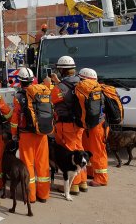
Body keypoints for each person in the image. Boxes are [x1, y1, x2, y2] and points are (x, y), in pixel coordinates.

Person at [10, 67, 51, 203]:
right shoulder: (42, 92)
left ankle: (30, 196)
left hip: (26, 136)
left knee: (28, 166)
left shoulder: (19, 97)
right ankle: (43, 195)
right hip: (42, 134)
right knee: (43, 164)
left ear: (20, 81)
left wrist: (14, 134)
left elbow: (15, 120)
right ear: (32, 80)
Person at [49, 55, 87, 194]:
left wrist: (51, 85)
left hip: (66, 125)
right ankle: (83, 182)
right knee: (80, 150)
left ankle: (74, 185)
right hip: (79, 123)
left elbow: (52, 101)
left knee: (70, 154)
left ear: (62, 70)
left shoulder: (59, 88)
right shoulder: (81, 81)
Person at [78, 68, 109, 187]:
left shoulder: (85, 90)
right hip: (99, 125)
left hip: (95, 126)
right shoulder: (100, 89)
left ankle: (101, 178)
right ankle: (91, 172)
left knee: (97, 152)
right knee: (91, 151)